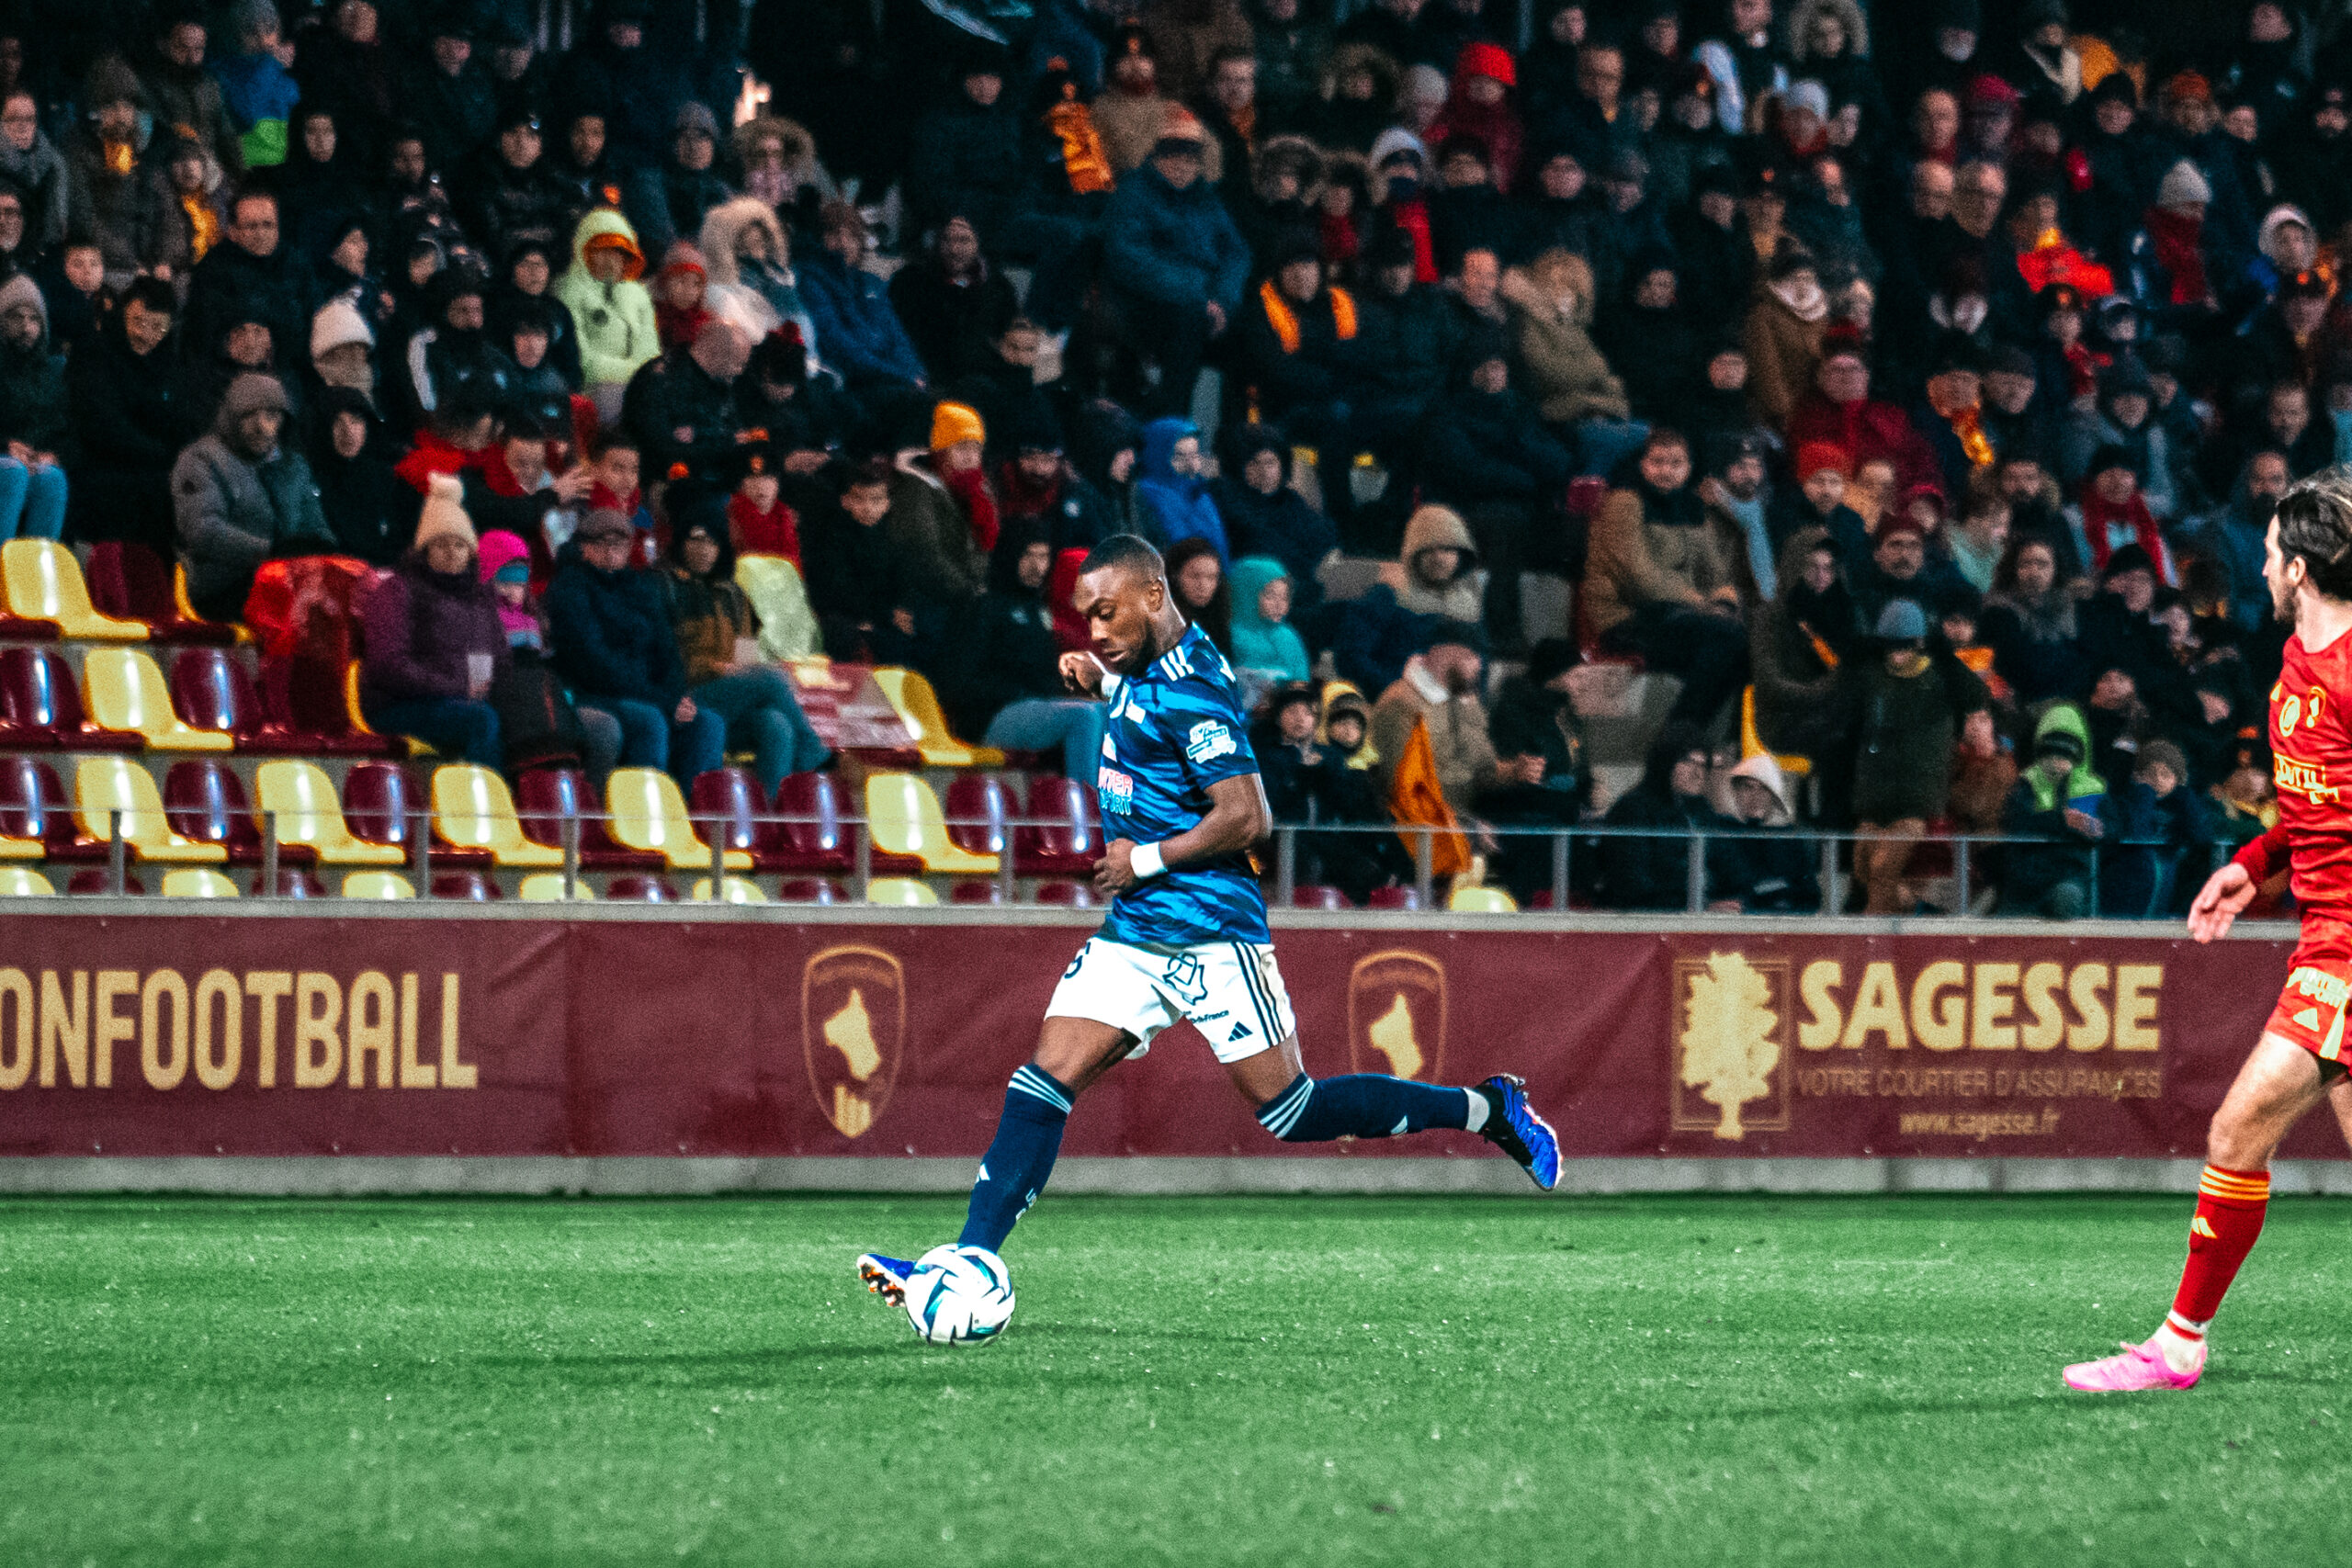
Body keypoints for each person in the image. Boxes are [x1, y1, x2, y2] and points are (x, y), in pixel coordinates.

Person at [854, 535, 1563, 1320]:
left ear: (1155, 596)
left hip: (1209, 930)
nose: (1094, 629)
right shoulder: (1147, 659)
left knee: (1291, 1109)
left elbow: (1249, 817)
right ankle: (968, 1261)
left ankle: (1487, 1108)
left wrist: (1142, 858)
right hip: (1135, 932)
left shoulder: (1193, 691)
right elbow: (1144, 700)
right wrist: (1102, 677)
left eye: (1107, 613)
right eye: (1087, 617)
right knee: (1043, 1078)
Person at [2054, 502, 2352, 1400]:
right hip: (2323, 935)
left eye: (2268, 553)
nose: (2257, 568)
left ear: (2298, 568)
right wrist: (2251, 866)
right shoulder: (2296, 662)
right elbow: (2318, 808)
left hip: (2344, 953)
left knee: (2236, 1129)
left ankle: (2178, 1343)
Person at [659, 502, 831, 795]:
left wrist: (741, 671)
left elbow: (746, 655)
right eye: (696, 540)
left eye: (712, 542)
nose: (704, 550)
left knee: (775, 723)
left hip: (731, 695)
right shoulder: (666, 587)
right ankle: (814, 756)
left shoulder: (735, 594)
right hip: (685, 695)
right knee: (772, 680)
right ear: (681, 542)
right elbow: (663, 657)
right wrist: (717, 668)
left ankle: (771, 812)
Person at [546, 508, 724, 784]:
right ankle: (645, 805)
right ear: (584, 547)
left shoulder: (641, 586)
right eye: (602, 543)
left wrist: (677, 696)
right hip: (596, 693)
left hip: (650, 694)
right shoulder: (570, 588)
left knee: (708, 723)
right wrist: (662, 701)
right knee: (649, 720)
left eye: (620, 543)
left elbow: (668, 651)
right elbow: (594, 662)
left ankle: (696, 806)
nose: (612, 551)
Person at [1585, 428, 1748, 728]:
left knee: (1748, 640)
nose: (1666, 471)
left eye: (1676, 464)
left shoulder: (1691, 507)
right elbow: (1638, 577)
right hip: (1628, 618)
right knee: (1726, 638)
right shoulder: (1624, 502)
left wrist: (1724, 603)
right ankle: (1679, 735)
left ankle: (1719, 740)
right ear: (1642, 464)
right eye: (1657, 462)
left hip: (1679, 615)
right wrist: (1700, 604)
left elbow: (1716, 574)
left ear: (1688, 468)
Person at [358, 476, 507, 765]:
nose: (451, 553)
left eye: (459, 545)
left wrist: (495, 686)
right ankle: (480, 794)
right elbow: (387, 665)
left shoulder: (481, 596)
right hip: (402, 704)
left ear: (470, 552)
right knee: (480, 720)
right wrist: (454, 687)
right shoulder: (398, 590)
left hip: (460, 701)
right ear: (425, 550)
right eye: (440, 545)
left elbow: (501, 657)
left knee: (523, 725)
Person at [945, 521, 1111, 780]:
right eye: (1028, 556)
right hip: (992, 716)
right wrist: (1019, 692)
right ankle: (1089, 802)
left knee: (1108, 713)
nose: (1037, 566)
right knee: (1084, 716)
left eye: (1043, 556)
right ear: (1011, 555)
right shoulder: (985, 607)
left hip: (1036, 708)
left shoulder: (1036, 610)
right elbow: (960, 680)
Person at [171, 371, 335, 621]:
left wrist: (315, 556)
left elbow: (318, 528)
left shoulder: (293, 466)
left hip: (290, 580)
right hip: (223, 586)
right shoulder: (201, 459)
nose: (261, 426)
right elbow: (202, 531)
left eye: (271, 416)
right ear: (232, 417)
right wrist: (270, 553)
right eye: (250, 415)